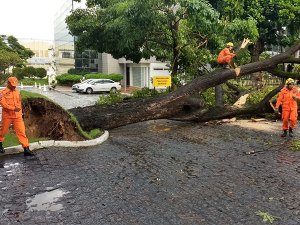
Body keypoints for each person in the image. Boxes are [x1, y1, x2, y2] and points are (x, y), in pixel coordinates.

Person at [0, 77, 35, 156]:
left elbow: (19, 103)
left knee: (21, 131)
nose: (14, 86)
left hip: (17, 116)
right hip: (7, 115)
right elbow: (4, 105)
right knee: (3, 131)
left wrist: (20, 112)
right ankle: (0, 144)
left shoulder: (17, 92)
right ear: (8, 83)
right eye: (12, 85)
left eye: (15, 85)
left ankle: (26, 149)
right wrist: (13, 109)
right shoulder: (2, 93)